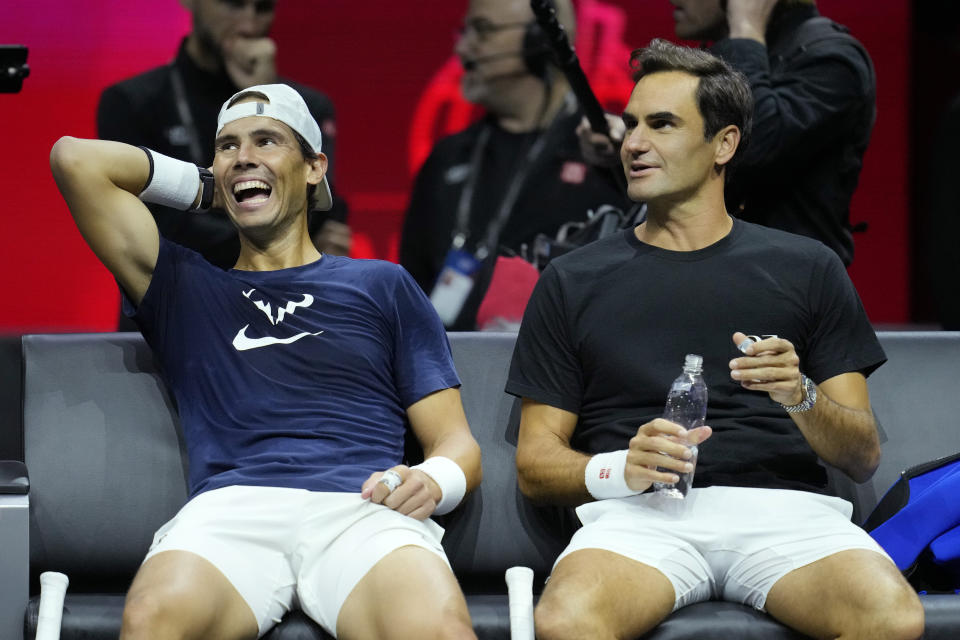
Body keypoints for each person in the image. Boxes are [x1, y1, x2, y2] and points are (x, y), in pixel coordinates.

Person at [508, 40, 923, 640]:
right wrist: (619, 467)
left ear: (723, 144)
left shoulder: (807, 266)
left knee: (892, 617)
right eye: (631, 125)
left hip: (788, 516)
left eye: (662, 124)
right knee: (568, 620)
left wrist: (800, 393)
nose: (634, 143)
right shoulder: (572, 280)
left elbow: (861, 455)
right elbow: (535, 463)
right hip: (639, 517)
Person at [51, 83, 481, 639]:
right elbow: (75, 159)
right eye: (227, 146)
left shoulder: (382, 284)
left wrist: (432, 478)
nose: (244, 155)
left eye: (267, 141)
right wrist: (217, 183)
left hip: (362, 510)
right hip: (233, 512)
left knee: (437, 629)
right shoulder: (183, 286)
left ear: (314, 167)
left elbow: (459, 445)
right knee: (154, 620)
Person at [581, 0, 875, 265]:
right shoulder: (725, 50)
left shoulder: (831, 59)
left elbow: (752, 147)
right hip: (702, 269)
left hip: (786, 284)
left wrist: (745, 29)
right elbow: (699, 170)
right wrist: (625, 146)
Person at [400, 0, 630, 331]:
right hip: (448, 365)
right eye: (464, 31)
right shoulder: (448, 156)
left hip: (556, 371)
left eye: (482, 30)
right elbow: (412, 282)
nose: (462, 47)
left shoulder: (605, 154)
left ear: (539, 40)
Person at [97, 0, 350, 271]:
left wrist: (265, 94)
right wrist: (282, 239)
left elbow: (323, 213)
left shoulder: (309, 106)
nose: (249, 23)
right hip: (170, 301)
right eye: (233, 4)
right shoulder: (132, 103)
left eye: (262, 8)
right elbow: (148, 237)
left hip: (278, 300)